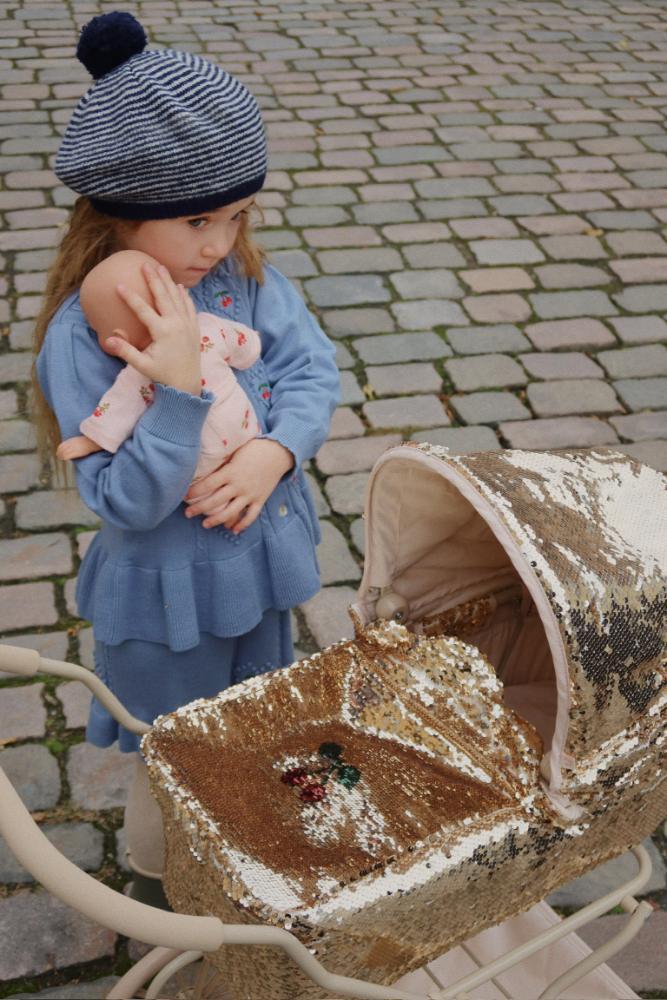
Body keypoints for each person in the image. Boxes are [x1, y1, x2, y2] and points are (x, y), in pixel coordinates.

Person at [32, 11, 340, 903]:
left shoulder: (242, 282)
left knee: (257, 726)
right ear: (118, 215)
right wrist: (174, 391)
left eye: (236, 214)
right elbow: (125, 499)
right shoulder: (87, 336)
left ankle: (249, 857)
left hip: (260, 566)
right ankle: (162, 886)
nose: (218, 242)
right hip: (165, 598)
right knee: (173, 752)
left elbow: (309, 368)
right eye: (198, 219)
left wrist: (275, 452)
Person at [55, 249, 264, 479]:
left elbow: (116, 411)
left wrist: (92, 440)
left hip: (202, 463)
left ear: (117, 338)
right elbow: (247, 347)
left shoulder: (140, 371)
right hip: (247, 429)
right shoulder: (208, 327)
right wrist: (252, 344)